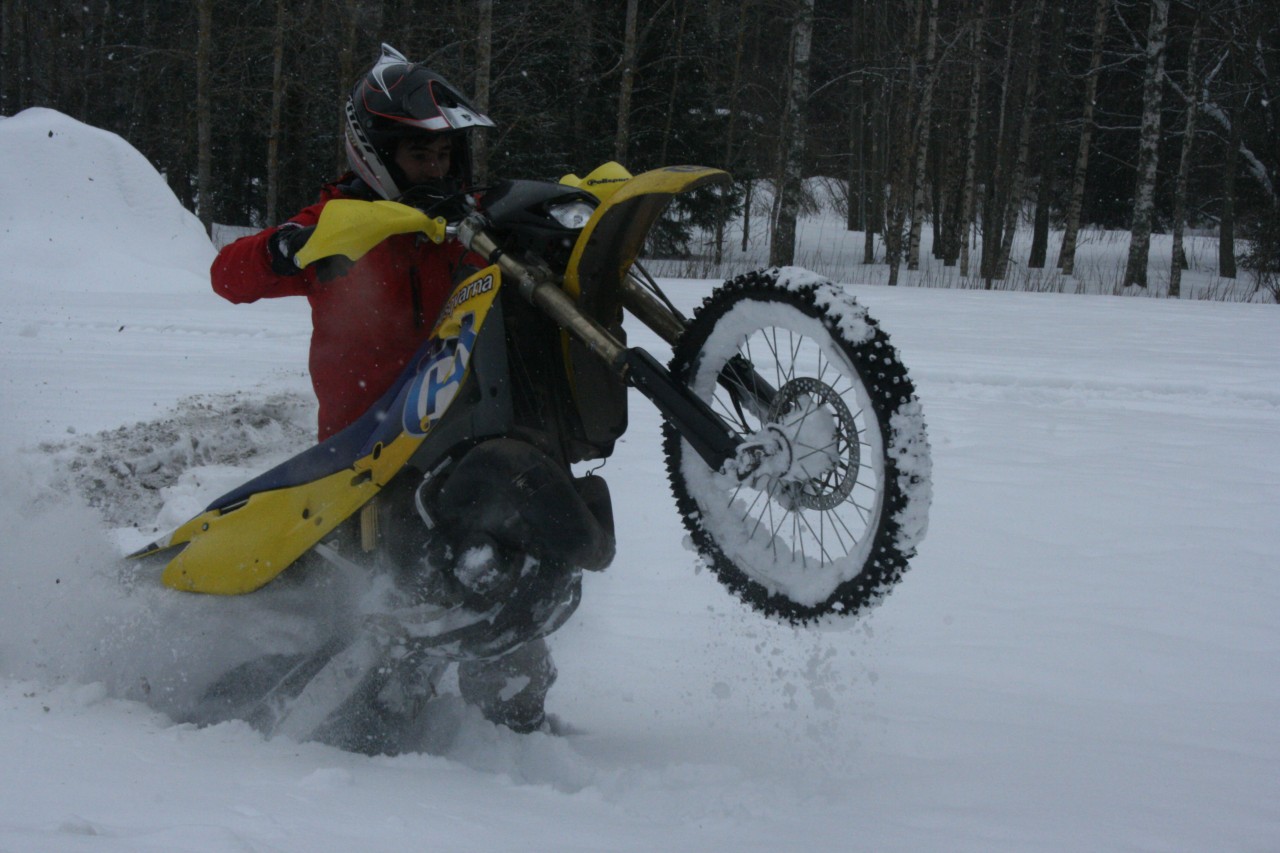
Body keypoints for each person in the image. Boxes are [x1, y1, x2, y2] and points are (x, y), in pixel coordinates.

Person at [210, 44, 558, 735]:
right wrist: (285, 245)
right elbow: (228, 277)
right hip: (363, 463)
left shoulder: (462, 227)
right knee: (396, 635)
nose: (436, 170)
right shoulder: (338, 225)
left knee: (506, 615)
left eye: (445, 156)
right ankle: (350, 757)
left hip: (459, 445)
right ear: (377, 154)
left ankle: (514, 737)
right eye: (420, 156)